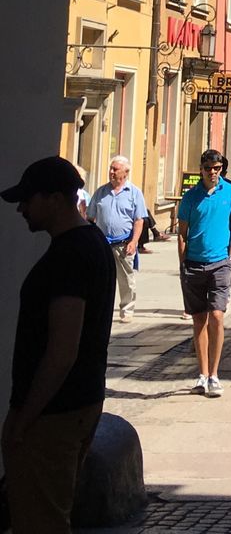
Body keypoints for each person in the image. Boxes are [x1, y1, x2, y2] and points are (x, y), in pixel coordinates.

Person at [1, 157, 115, 534]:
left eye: (27, 200)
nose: (21, 209)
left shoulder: (69, 255)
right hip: (81, 402)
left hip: (54, 413)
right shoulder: (94, 241)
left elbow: (62, 350)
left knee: (40, 521)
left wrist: (23, 419)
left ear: (53, 198)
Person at [176, 148, 231, 396]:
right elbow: (182, 233)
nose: (213, 173)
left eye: (217, 168)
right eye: (208, 169)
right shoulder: (191, 197)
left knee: (217, 315)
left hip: (220, 262)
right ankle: (202, 374)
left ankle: (215, 374)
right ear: (201, 169)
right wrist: (182, 263)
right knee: (199, 320)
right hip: (194, 262)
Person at [86, 154, 147, 324]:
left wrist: (134, 241)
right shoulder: (101, 192)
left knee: (126, 279)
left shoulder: (134, 193)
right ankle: (100, 308)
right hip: (103, 243)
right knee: (101, 278)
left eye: (115, 169)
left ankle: (127, 309)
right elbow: (90, 218)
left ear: (125, 172)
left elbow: (139, 220)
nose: (111, 172)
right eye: (111, 169)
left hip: (124, 243)